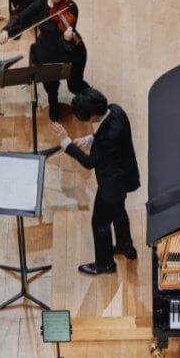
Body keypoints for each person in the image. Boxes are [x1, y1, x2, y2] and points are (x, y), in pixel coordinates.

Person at [51, 88, 140, 275]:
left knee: (100, 222)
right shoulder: (116, 110)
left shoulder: (107, 138)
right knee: (118, 212)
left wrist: (66, 143)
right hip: (122, 178)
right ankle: (126, 247)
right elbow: (109, 136)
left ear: (92, 117)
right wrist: (90, 138)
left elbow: (89, 162)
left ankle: (105, 264)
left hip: (111, 184)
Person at [1, 0, 90, 121]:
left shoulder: (71, 7)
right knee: (50, 84)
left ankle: (92, 99)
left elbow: (67, 37)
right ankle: (52, 101)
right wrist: (7, 30)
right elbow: (22, 18)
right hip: (47, 48)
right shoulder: (40, 3)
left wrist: (67, 38)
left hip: (69, 49)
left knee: (75, 86)